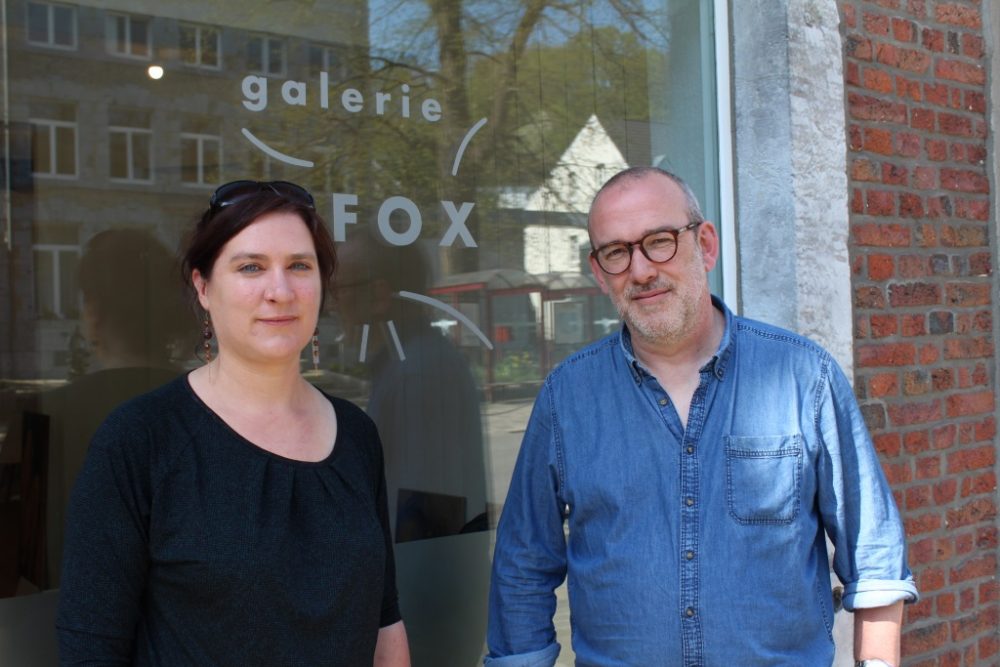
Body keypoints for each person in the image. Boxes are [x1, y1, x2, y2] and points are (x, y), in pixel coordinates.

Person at [486, 167, 917, 667]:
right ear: (600, 273)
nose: (642, 270)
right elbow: (523, 567)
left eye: (660, 241)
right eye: (617, 252)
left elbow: (874, 553)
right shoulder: (569, 397)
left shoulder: (802, 376)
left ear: (706, 244)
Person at [56, 180, 410, 666]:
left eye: (299, 266)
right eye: (251, 267)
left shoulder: (355, 434)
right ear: (203, 287)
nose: (280, 291)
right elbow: (90, 647)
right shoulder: (140, 439)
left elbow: (384, 621)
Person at [336, 231, 489, 666]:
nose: (330, 305)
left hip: (423, 634)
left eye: (339, 290)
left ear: (378, 295)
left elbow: (429, 527)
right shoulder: (410, 366)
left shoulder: (419, 375)